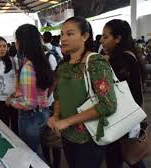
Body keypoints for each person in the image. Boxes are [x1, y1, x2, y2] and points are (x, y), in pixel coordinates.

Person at [47, 16, 117, 168]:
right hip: (67, 135)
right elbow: (58, 96)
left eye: (70, 34)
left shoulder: (95, 63)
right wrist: (56, 116)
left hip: (89, 137)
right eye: (62, 34)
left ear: (85, 36)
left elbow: (108, 105)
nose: (63, 38)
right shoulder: (63, 66)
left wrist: (67, 121)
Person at [101, 19, 146, 168]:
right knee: (129, 154)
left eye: (106, 36)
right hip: (129, 115)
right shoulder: (130, 55)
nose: (102, 40)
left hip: (121, 116)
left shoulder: (121, 59)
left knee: (119, 156)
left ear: (118, 38)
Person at [5, 24, 54, 158]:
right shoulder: (42, 61)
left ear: (22, 42)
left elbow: (29, 103)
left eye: (17, 40)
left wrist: (12, 102)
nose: (15, 44)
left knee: (32, 156)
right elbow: (41, 89)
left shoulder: (27, 66)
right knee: (39, 153)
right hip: (44, 112)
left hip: (31, 117)